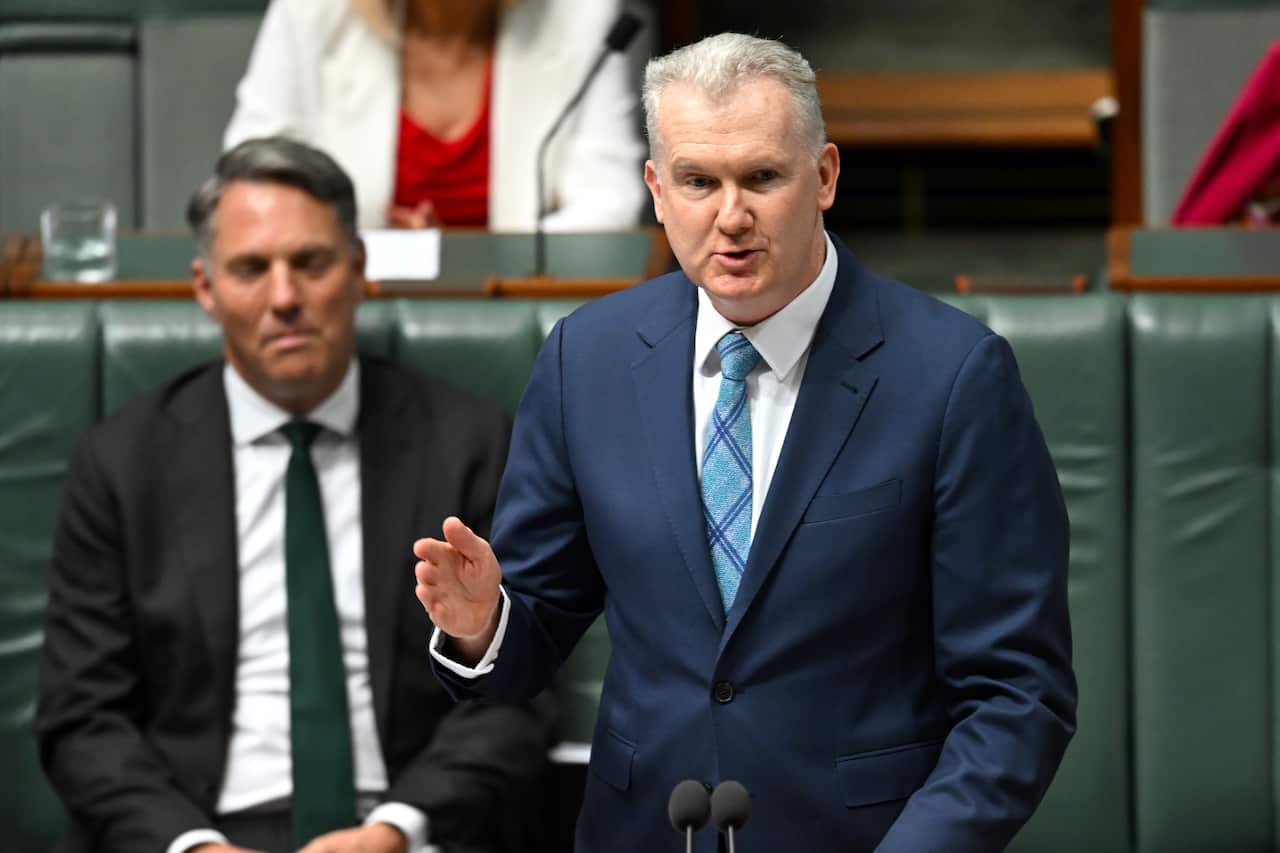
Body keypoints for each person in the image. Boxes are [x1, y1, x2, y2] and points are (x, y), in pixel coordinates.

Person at [414, 33, 1077, 852]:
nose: (731, 217)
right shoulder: (585, 360)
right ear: (657, 190)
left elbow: (1017, 692)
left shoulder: (953, 377)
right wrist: (487, 625)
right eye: (698, 181)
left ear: (825, 176)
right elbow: (534, 636)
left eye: (763, 177)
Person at [36, 137, 553, 853]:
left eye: (309, 263)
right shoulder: (122, 463)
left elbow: (514, 687)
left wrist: (395, 830)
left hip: (403, 826)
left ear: (359, 270)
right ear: (205, 288)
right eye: (251, 268)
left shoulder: (465, 444)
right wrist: (193, 845)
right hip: (195, 828)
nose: (284, 297)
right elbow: (81, 718)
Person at [224, 0, 647, 231]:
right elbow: (256, 173)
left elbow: (609, 203)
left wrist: (467, 261)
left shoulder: (581, 15)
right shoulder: (311, 12)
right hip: (346, 306)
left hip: (519, 313)